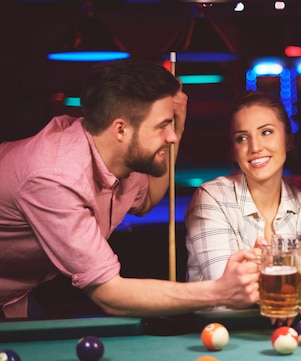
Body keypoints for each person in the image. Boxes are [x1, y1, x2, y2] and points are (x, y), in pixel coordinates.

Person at [0, 59, 260, 319]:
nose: (171, 137)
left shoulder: (120, 153)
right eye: (162, 126)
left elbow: (146, 200)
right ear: (121, 129)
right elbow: (111, 296)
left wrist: (177, 129)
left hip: (15, 294)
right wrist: (221, 291)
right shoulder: (55, 178)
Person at [185, 90, 301, 282]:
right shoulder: (212, 197)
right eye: (242, 138)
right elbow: (227, 291)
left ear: (288, 140)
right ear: (234, 152)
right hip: (227, 313)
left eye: (266, 132)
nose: (255, 147)